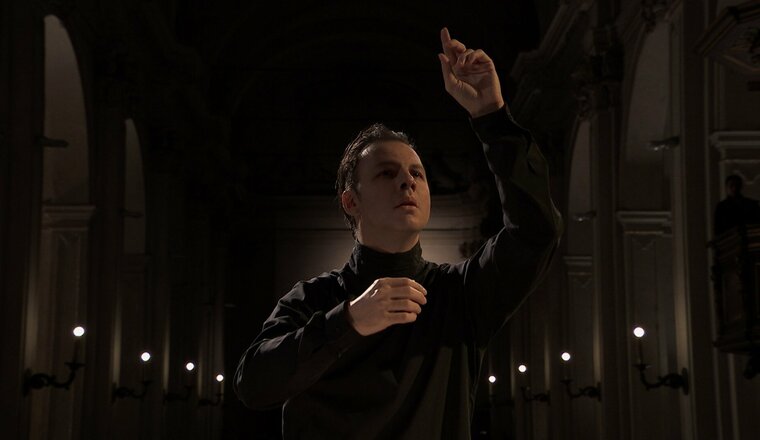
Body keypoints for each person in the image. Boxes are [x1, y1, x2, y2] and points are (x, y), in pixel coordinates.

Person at [234, 28, 563, 439]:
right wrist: (348, 321)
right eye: (387, 173)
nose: (407, 182)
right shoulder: (312, 300)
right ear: (351, 201)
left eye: (417, 174)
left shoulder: (459, 295)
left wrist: (492, 116)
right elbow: (253, 385)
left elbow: (537, 231)